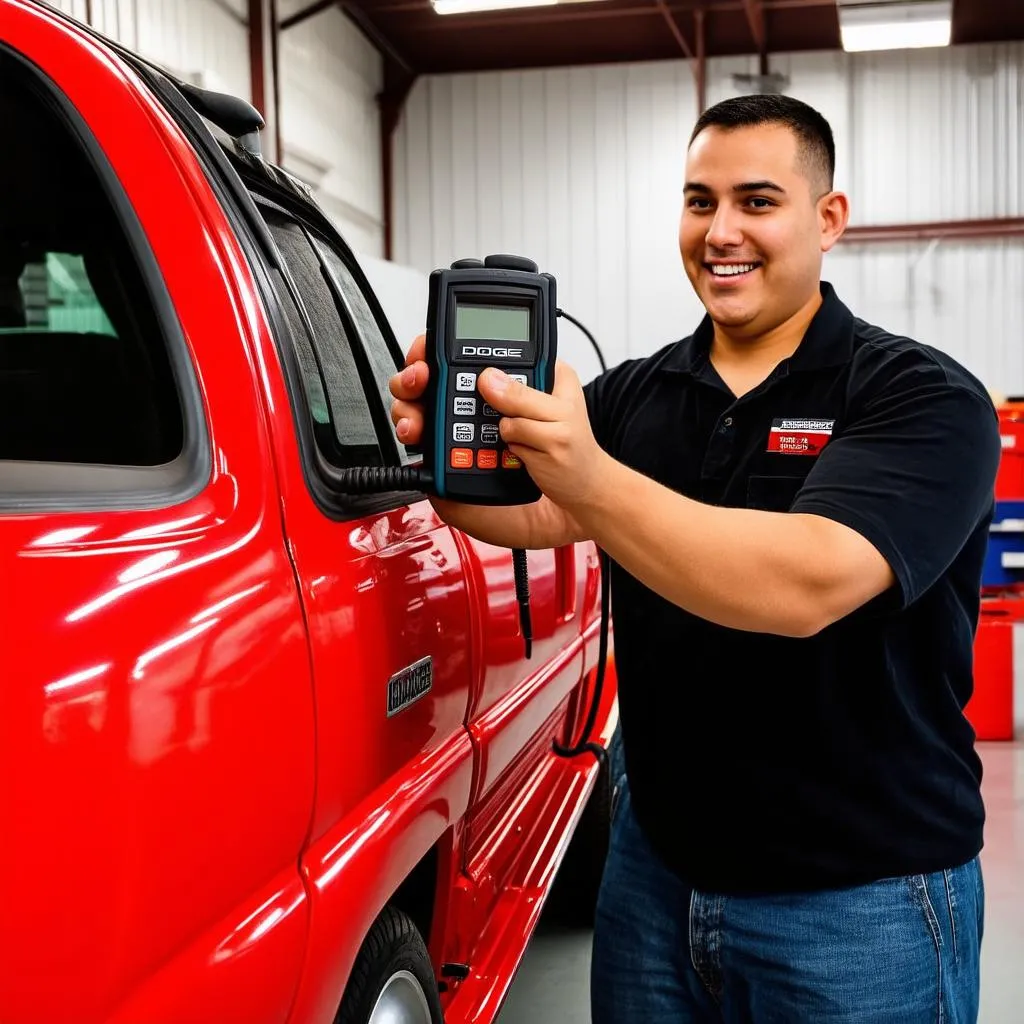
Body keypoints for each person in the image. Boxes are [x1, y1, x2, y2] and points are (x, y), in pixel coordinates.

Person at [389, 94, 999, 1022]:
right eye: (699, 201)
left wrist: (589, 474)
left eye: (758, 201)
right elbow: (535, 513)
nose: (722, 232)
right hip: (656, 879)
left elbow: (807, 581)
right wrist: (446, 457)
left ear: (827, 219)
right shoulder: (641, 392)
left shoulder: (922, 396)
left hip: (860, 896)